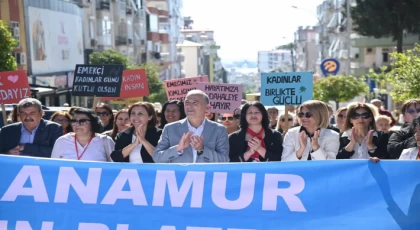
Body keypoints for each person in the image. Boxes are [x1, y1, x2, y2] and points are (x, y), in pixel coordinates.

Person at [153, 90, 229, 163]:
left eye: (195, 103)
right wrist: (178, 149)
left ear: (207, 107)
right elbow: (157, 157)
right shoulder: (170, 129)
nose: (189, 106)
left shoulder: (219, 129)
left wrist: (202, 150)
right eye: (187, 102)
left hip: (207, 175)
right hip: (180, 175)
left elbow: (224, 160)